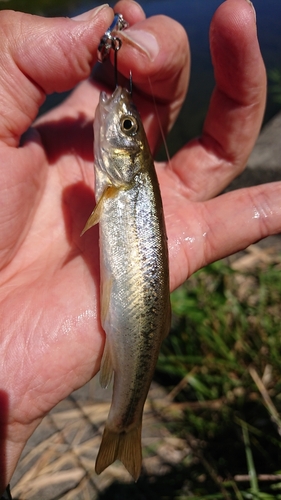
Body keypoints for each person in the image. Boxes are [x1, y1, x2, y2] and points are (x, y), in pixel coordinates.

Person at [0, 0, 278, 494]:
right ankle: (125, 422)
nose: (119, 119)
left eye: (128, 128)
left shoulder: (116, 184)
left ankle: (123, 422)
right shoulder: (115, 182)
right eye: (131, 128)